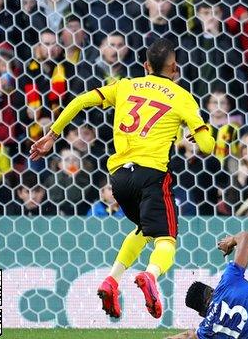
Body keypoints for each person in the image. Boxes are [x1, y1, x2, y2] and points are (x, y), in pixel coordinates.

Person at [29, 38, 216, 319]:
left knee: (143, 230)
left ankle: (112, 280)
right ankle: (150, 276)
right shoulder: (181, 96)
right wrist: (199, 132)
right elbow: (207, 147)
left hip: (119, 178)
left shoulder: (126, 85)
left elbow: (80, 101)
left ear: (145, 66)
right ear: (175, 68)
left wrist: (52, 135)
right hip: (152, 176)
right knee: (166, 240)